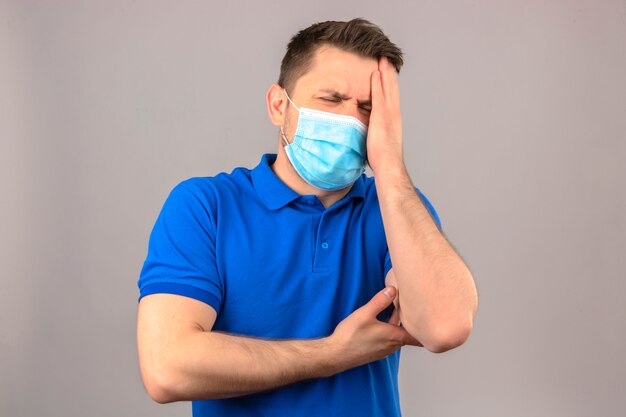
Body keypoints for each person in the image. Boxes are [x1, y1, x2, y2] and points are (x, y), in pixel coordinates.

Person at [137, 18, 478, 416]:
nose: (350, 119)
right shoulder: (205, 205)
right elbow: (167, 368)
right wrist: (332, 354)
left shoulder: (395, 207)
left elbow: (446, 326)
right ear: (279, 106)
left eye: (367, 108)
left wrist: (390, 167)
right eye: (332, 100)